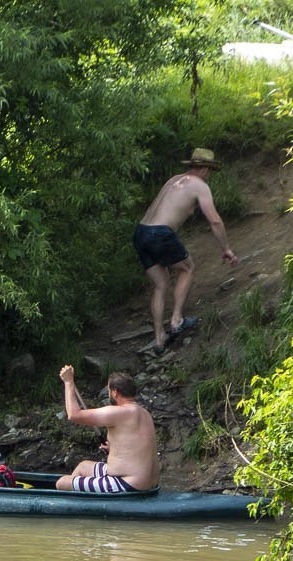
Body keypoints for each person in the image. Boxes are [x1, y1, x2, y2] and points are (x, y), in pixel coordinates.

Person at [133, 147, 240, 355]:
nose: (209, 176)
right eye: (209, 171)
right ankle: (176, 320)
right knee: (187, 268)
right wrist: (226, 248)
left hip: (141, 232)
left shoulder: (175, 180)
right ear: (204, 169)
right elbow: (215, 220)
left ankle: (159, 338)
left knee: (161, 284)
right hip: (160, 233)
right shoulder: (199, 185)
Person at [56, 366, 158, 493]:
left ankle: (78, 505)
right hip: (147, 482)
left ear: (115, 392)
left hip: (129, 484)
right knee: (83, 467)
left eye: (109, 390)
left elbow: (73, 415)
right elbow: (136, 445)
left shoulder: (118, 412)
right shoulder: (144, 413)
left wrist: (68, 382)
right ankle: (81, 500)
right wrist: (114, 448)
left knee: (62, 483)